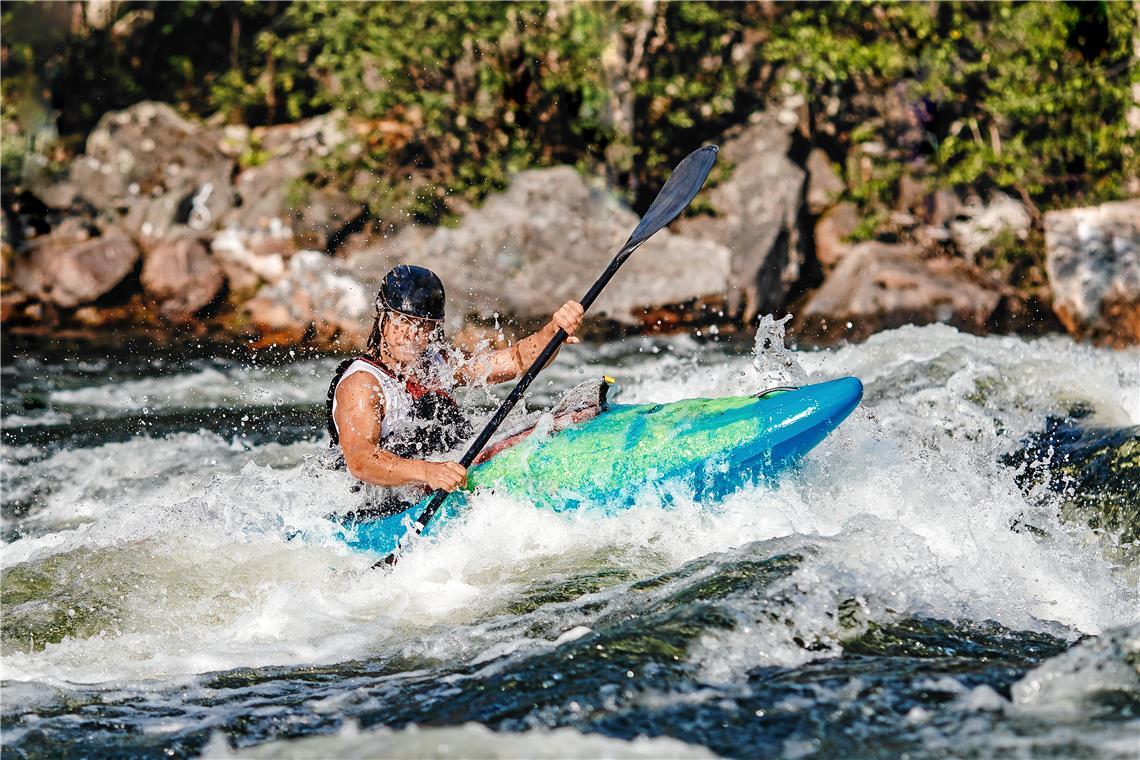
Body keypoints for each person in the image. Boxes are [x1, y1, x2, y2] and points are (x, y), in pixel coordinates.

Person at [325, 264, 584, 505]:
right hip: (379, 506)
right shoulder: (362, 383)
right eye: (402, 321)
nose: (412, 335)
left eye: (424, 326)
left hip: (437, 482)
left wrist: (553, 332)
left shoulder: (436, 365)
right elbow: (360, 461)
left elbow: (516, 361)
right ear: (382, 317)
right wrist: (429, 472)